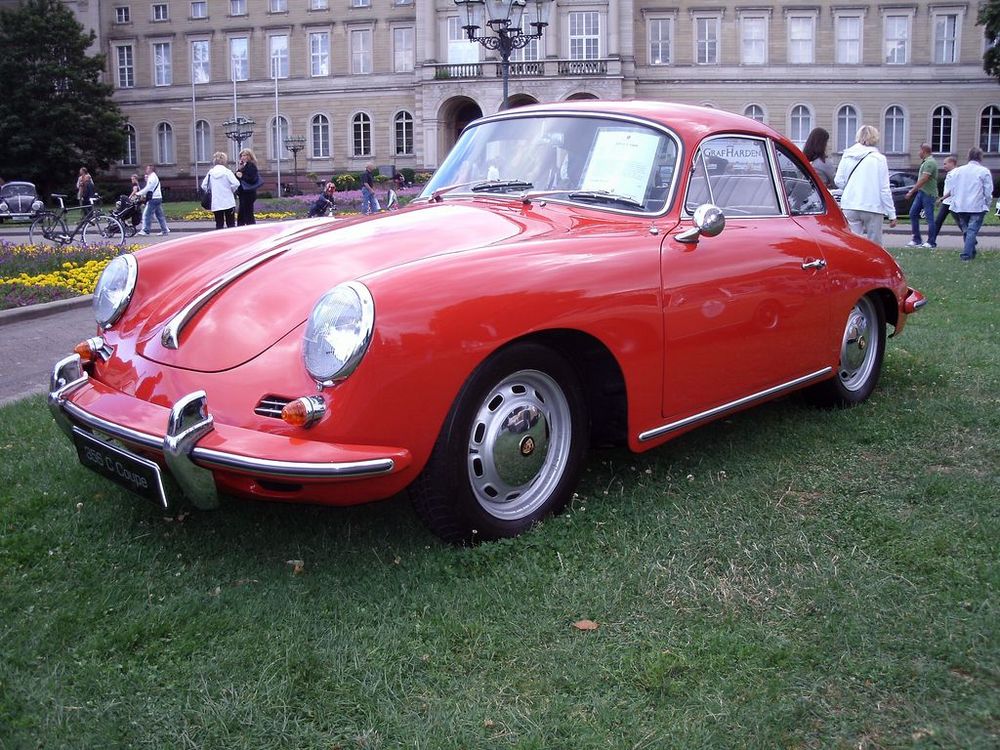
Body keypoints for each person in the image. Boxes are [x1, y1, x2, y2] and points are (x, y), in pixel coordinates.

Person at [834, 125, 897, 245]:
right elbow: (884, 189)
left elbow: (838, 180)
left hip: (850, 204)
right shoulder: (879, 159)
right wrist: (891, 213)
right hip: (873, 206)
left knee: (852, 244)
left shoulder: (847, 155)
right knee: (875, 245)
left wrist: (852, 186)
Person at [942, 146, 993, 262]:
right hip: (976, 206)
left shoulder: (958, 171)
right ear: (980, 157)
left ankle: (971, 251)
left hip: (960, 206)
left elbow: (953, 189)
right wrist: (988, 204)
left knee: (967, 230)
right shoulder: (984, 171)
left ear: (968, 156)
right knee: (971, 231)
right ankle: (966, 255)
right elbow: (988, 191)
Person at [905, 143, 939, 248]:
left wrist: (912, 191)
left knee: (929, 218)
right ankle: (916, 239)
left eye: (919, 151)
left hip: (928, 193)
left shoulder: (930, 162)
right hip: (921, 192)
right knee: (913, 213)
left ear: (924, 151)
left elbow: (924, 179)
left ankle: (931, 242)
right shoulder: (926, 162)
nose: (918, 153)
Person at [201, 152, 240, 229]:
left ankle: (220, 239)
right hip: (228, 202)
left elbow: (204, 185)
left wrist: (213, 190)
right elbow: (236, 183)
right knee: (231, 224)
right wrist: (231, 190)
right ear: (224, 161)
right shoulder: (227, 172)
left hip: (216, 202)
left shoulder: (211, 173)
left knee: (219, 224)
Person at [930, 155, 957, 247]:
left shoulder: (955, 174)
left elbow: (953, 190)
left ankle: (970, 239)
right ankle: (931, 242)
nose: (944, 166)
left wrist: (941, 199)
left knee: (961, 223)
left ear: (952, 163)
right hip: (947, 203)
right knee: (938, 222)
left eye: (945, 164)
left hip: (953, 203)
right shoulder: (950, 173)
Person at [136, 164, 169, 236]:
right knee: (159, 215)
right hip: (158, 198)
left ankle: (146, 230)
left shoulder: (152, 177)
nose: (146, 170)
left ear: (151, 169)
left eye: (147, 169)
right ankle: (165, 230)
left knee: (146, 215)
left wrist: (139, 193)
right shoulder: (153, 177)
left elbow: (148, 188)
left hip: (153, 199)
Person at [234, 148, 261, 226]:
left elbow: (251, 179)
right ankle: (241, 228)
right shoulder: (244, 166)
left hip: (248, 193)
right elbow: (236, 176)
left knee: (248, 214)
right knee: (242, 213)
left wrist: (241, 176)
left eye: (245, 155)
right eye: (241, 155)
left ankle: (250, 229)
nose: (243, 157)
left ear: (250, 156)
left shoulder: (251, 166)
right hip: (243, 193)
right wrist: (239, 169)